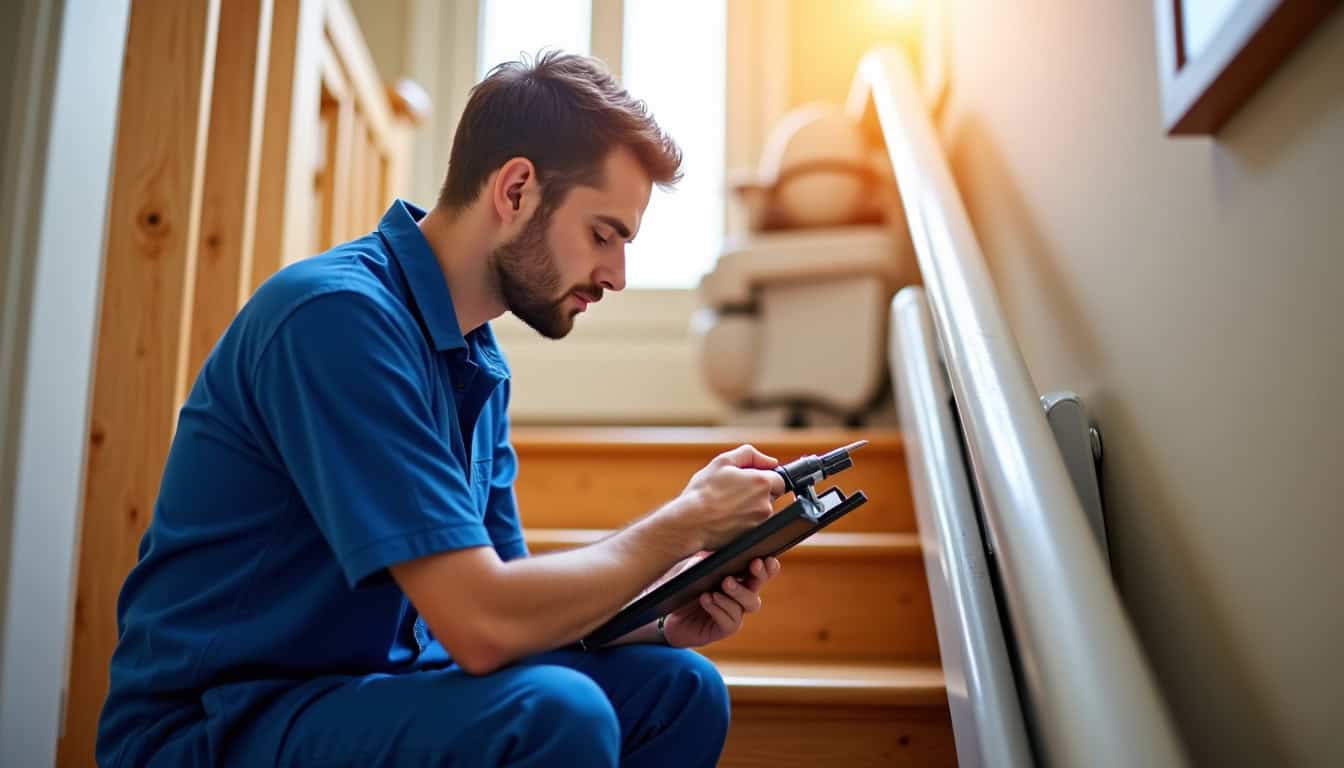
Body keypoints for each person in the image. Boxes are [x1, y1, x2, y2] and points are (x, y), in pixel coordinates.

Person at [96, 51, 789, 767]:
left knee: (680, 688)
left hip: (363, 695)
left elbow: (513, 614)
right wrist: (683, 524)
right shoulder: (336, 319)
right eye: (602, 234)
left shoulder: (474, 362)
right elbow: (484, 623)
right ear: (516, 190)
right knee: (558, 713)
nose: (616, 274)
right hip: (217, 725)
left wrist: (661, 613)